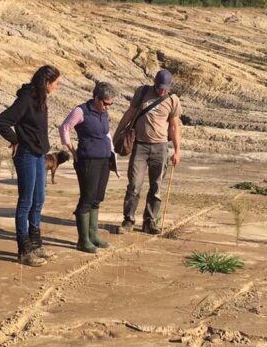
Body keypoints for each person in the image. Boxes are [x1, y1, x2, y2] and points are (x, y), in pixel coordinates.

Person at [0, 65, 61, 266]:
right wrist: (15, 140)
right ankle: (24, 250)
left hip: (39, 155)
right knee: (26, 201)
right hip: (26, 155)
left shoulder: (41, 99)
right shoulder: (26, 99)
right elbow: (1, 121)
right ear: (46, 82)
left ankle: (36, 244)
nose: (57, 86)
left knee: (39, 199)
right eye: (56, 83)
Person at [115, 69, 182, 234]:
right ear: (154, 83)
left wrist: (177, 150)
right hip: (140, 146)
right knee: (134, 185)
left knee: (156, 187)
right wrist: (116, 134)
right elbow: (130, 114)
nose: (161, 91)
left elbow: (174, 127)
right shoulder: (143, 92)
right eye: (159, 87)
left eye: (164, 88)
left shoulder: (173, 100)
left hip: (160, 148)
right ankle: (128, 220)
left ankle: (149, 222)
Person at [60, 82, 117, 253]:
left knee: (98, 197)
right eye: (105, 103)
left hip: (104, 159)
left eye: (110, 104)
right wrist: (71, 149)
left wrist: (112, 151)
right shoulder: (81, 110)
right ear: (96, 98)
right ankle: (83, 240)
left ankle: (94, 235)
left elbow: (106, 133)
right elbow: (64, 127)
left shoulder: (104, 113)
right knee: (87, 197)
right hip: (88, 160)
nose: (107, 107)